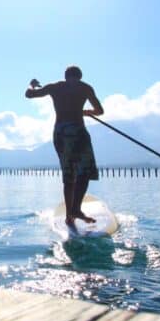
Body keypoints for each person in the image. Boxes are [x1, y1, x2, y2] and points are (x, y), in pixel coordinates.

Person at [26, 66, 104, 226]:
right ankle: (75, 210)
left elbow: (29, 94)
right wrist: (84, 112)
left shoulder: (55, 87)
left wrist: (32, 85)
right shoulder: (85, 88)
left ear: (66, 76)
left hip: (61, 132)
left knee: (69, 176)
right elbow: (100, 111)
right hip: (78, 131)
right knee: (84, 172)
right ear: (79, 77)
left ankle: (70, 215)